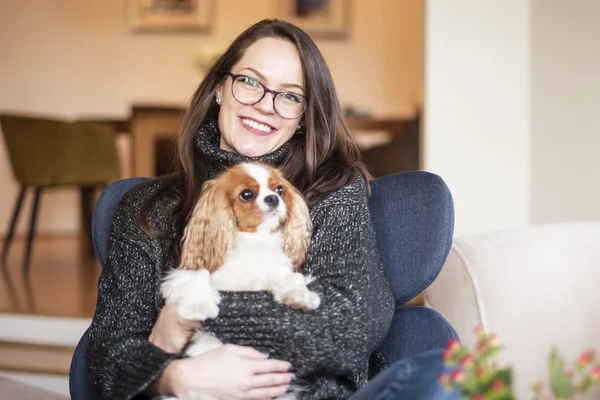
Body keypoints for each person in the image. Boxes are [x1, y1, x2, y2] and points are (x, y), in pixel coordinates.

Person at [85, 19, 461, 400]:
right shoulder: (149, 209)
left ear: (302, 117)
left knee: (445, 376)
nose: (265, 105)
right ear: (219, 87)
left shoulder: (332, 190)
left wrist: (185, 314)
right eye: (250, 82)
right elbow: (105, 359)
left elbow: (350, 328)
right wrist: (175, 378)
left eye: (290, 96)